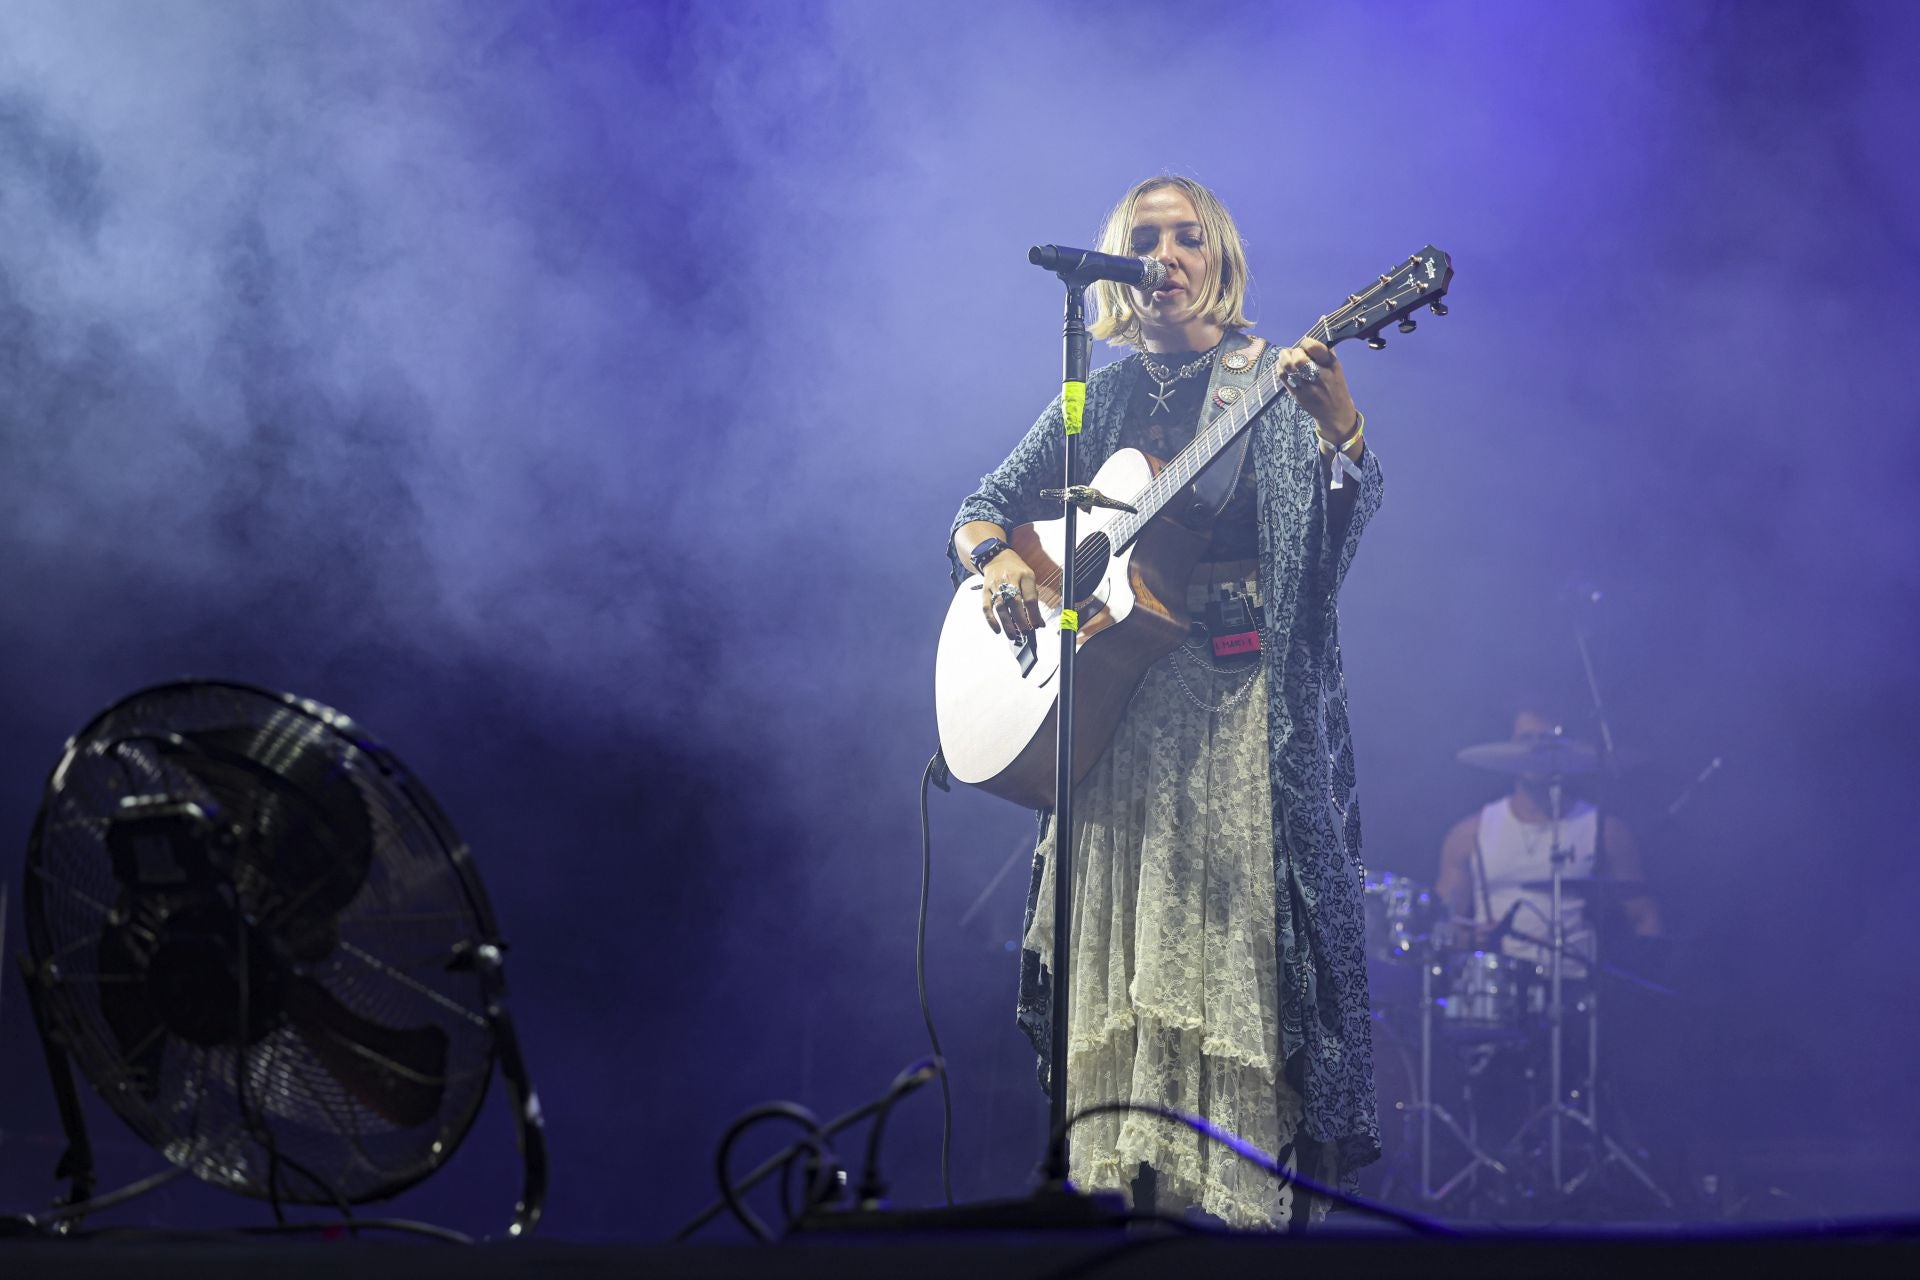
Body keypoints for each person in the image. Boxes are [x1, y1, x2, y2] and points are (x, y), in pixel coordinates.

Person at [948, 176, 1383, 1229]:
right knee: (1124, 978)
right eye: (1146, 240)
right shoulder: (1092, 397)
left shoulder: (1262, 379)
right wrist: (1001, 569)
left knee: (1234, 974)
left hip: (1238, 722)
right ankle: (1126, 1215)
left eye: (1190, 238)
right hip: (1112, 725)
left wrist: (1343, 436)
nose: (1169, 256)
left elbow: (1325, 557)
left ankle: (1233, 1213)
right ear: (1117, 266)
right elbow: (978, 512)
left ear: (1221, 260)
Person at [1435, 706, 1664, 979]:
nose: (1537, 751)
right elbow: (1445, 925)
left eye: (1546, 740)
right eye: (1526, 739)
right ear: (1507, 747)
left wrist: (1643, 985)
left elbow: (1645, 918)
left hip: (1578, 989)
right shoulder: (1469, 833)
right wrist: (1474, 940)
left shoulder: (1605, 830)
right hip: (1496, 991)